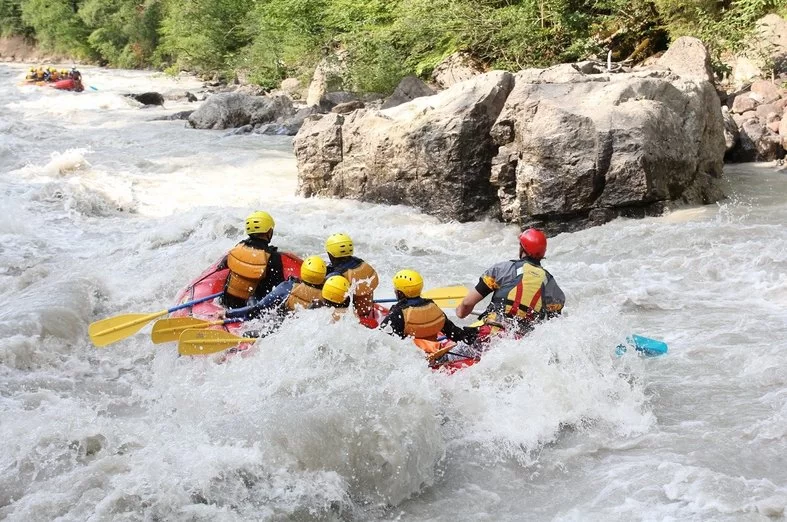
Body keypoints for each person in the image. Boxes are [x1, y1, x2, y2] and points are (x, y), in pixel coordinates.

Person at [455, 228, 565, 334]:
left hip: (492, 334)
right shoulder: (550, 283)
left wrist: (460, 312)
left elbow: (467, 303)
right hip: (524, 342)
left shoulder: (502, 269)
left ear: (522, 248)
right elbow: (554, 325)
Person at [219, 211, 301, 309]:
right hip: (250, 309)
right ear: (269, 232)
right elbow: (278, 289)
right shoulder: (272, 257)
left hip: (227, 302)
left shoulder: (239, 247)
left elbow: (224, 264)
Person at [224, 255, 327, 320]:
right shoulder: (327, 295)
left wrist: (229, 313)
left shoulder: (288, 286)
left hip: (278, 330)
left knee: (252, 297)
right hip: (297, 332)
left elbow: (258, 308)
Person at [380, 269, 469, 343]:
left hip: (412, 357)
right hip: (433, 353)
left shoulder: (398, 313)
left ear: (400, 293)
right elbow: (453, 332)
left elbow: (383, 341)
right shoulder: (433, 306)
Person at [324, 233, 379, 318]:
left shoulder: (336, 276)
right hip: (367, 312)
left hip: (351, 318)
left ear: (331, 254)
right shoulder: (361, 263)